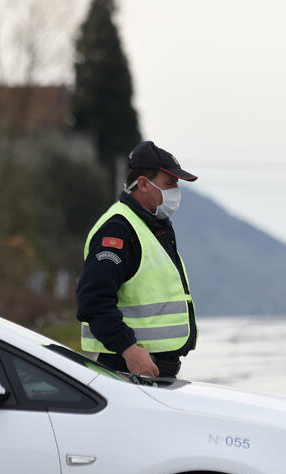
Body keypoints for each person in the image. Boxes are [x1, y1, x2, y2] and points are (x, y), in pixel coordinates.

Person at [76, 141, 199, 378]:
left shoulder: (154, 227)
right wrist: (129, 350)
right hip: (127, 370)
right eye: (169, 184)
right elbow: (93, 301)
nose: (176, 192)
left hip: (151, 372)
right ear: (142, 184)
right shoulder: (118, 230)